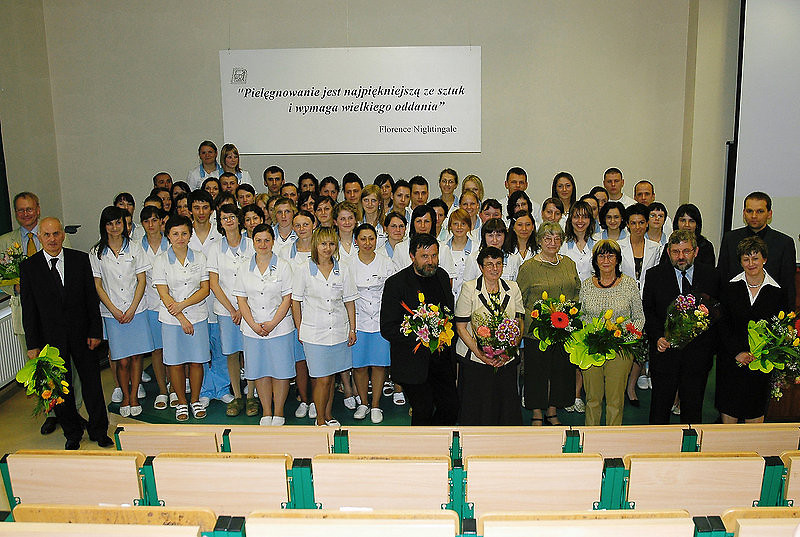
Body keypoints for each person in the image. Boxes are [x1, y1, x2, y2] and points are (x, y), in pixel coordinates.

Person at [20, 217, 112, 449]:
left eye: (56, 234)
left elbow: (91, 299)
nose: (52, 239)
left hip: (83, 335)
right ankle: (72, 433)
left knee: (92, 384)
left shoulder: (79, 260)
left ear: (62, 235)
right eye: (47, 235)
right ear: (39, 237)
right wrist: (33, 345)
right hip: (50, 340)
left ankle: (99, 430)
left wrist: (95, 331)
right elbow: (29, 310)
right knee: (60, 387)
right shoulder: (29, 267)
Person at [0, 192, 76, 435]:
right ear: (15, 213)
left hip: (59, 315)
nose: (26, 214)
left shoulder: (56, 233)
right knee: (40, 368)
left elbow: (69, 270)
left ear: (38, 209)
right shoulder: (5, 241)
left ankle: (73, 410)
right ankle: (51, 412)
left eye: (30, 209)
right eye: (21, 210)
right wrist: (15, 286)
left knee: (67, 366)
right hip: (27, 314)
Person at [643, 230, 721, 424]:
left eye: (686, 251)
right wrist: (657, 337)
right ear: (668, 252)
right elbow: (649, 312)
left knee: (693, 410)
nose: (681, 257)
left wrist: (708, 347)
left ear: (695, 251)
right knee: (659, 410)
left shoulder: (712, 276)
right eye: (676, 252)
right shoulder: (654, 276)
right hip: (665, 354)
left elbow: (717, 313)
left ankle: (690, 443)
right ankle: (657, 443)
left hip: (698, 356)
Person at [380, 233, 458, 425]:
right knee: (423, 409)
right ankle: (422, 444)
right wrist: (420, 334)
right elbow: (387, 328)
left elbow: (450, 314)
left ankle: (438, 442)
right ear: (412, 256)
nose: (430, 261)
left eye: (434, 256)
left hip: (441, 360)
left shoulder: (442, 276)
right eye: (424, 256)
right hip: (412, 362)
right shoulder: (396, 284)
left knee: (451, 408)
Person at [90, 206, 154, 418]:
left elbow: (141, 280)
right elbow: (98, 285)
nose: (115, 227)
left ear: (124, 225)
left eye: (118, 222)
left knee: (136, 357)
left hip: (137, 311)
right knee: (122, 359)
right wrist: (114, 309)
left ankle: (134, 397)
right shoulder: (96, 252)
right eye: (110, 223)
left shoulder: (135, 247)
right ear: (104, 226)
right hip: (113, 314)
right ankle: (125, 396)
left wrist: (132, 308)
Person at [292, 227, 358, 426]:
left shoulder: (343, 268)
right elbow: (296, 302)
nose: (327, 248)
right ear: (315, 245)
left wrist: (352, 329)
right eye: (323, 244)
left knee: (331, 378)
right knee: (322, 379)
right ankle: (320, 420)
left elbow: (349, 301)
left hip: (338, 332)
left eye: (331, 244)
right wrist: (299, 328)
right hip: (313, 334)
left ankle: (328, 415)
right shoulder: (303, 269)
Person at [517, 222, 581, 426]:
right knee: (537, 373)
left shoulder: (569, 263)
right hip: (537, 330)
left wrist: (570, 315)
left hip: (564, 329)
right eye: (547, 238)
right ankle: (537, 412)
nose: (552, 243)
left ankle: (552, 411)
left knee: (560, 372)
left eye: (557, 239)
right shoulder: (528, 267)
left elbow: (576, 291)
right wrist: (537, 320)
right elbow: (520, 299)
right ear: (539, 241)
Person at [716, 236, 786, 423]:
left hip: (761, 364)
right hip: (732, 361)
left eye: (755, 258)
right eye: (746, 259)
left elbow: (779, 330)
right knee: (729, 410)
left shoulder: (778, 291)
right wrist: (737, 352)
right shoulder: (729, 287)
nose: (751, 263)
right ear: (740, 262)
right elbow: (722, 324)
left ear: (765, 259)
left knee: (754, 412)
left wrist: (761, 354)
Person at [454, 246, 524, 425]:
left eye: (498, 264)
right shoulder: (469, 288)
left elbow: (519, 323)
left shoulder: (513, 288)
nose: (495, 268)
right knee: (478, 407)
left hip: (505, 359)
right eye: (489, 264)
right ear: (480, 267)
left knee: (505, 407)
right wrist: (481, 354)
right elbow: (461, 327)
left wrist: (508, 351)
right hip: (475, 359)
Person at [579, 240, 645, 426]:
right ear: (595, 260)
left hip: (620, 350)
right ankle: (590, 436)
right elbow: (581, 317)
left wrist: (626, 340)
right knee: (592, 399)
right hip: (592, 349)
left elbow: (639, 318)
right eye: (601, 256)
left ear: (617, 259)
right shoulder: (586, 285)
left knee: (615, 401)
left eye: (610, 256)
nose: (606, 260)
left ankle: (612, 438)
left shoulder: (629, 284)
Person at [234, 224, 295, 426]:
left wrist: (272, 323)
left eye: (267, 240)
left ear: (273, 242)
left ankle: (279, 412)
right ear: (253, 242)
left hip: (280, 328)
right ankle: (266, 411)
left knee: (280, 371)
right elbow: (241, 300)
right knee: (260, 371)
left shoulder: (284, 266)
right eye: (258, 240)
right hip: (252, 330)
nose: (263, 244)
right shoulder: (244, 267)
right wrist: (253, 325)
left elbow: (287, 298)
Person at [153, 215, 211, 421]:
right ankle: (181, 402)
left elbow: (205, 289)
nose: (180, 238)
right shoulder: (160, 260)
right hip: (171, 320)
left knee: (196, 361)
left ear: (190, 235)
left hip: (197, 316)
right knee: (175, 363)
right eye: (175, 234)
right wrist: (181, 317)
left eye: (184, 233)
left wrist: (183, 306)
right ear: (168, 236)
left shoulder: (200, 258)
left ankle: (194, 400)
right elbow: (163, 293)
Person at [207, 204, 253, 416]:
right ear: (220, 222)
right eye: (224, 218)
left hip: (250, 309)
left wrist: (243, 308)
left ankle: (251, 395)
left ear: (239, 219)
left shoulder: (251, 244)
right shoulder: (215, 248)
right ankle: (237, 395)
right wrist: (232, 309)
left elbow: (255, 277)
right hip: (226, 312)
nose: (229, 221)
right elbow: (214, 283)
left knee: (250, 352)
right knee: (232, 353)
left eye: (232, 216)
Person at [717, 192, 796, 308]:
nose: (754, 216)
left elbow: (788, 284)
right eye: (749, 211)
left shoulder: (784, 243)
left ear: (769, 214)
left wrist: (789, 315)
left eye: (760, 211)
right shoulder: (730, 239)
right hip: (734, 307)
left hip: (771, 307)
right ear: (744, 213)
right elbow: (722, 276)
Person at [350, 223, 394, 423]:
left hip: (379, 321)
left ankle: (375, 405)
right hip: (358, 322)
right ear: (356, 241)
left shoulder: (386, 262)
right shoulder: (348, 264)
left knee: (379, 365)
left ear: (376, 240)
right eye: (363, 239)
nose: (367, 243)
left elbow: (393, 293)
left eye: (371, 238)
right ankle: (363, 403)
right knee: (359, 366)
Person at [284, 210, 317, 419]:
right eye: (298, 225)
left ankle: (316, 401)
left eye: (306, 224)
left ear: (314, 225)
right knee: (300, 361)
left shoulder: (323, 248)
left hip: (318, 314)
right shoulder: (285, 252)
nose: (302, 228)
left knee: (317, 361)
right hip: (294, 312)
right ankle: (304, 400)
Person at [139, 205, 171, 409]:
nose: (151, 225)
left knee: (174, 350)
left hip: (173, 305)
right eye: (146, 221)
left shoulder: (172, 243)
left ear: (161, 221)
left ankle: (175, 387)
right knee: (158, 350)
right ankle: (162, 390)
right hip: (151, 305)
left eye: (154, 220)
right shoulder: (137, 247)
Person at [439, 209, 474, 299]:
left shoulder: (476, 249)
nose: (459, 227)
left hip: (469, 297)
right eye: (455, 224)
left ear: (469, 226)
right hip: (445, 296)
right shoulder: (441, 248)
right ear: (450, 226)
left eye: (463, 224)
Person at [560, 200, 596, 282]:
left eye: (584, 217)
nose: (580, 221)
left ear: (590, 220)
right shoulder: (562, 244)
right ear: (570, 219)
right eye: (576, 217)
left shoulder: (597, 244)